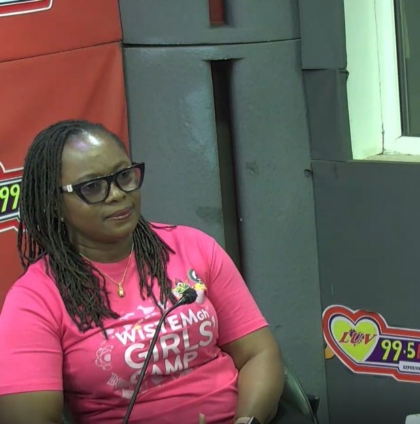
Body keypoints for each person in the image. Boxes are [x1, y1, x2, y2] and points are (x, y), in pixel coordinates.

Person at [0, 120, 284, 424]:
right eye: (92, 187)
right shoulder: (35, 298)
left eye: (123, 176)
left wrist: (246, 421)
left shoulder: (193, 247)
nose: (116, 194)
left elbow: (258, 353)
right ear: (54, 205)